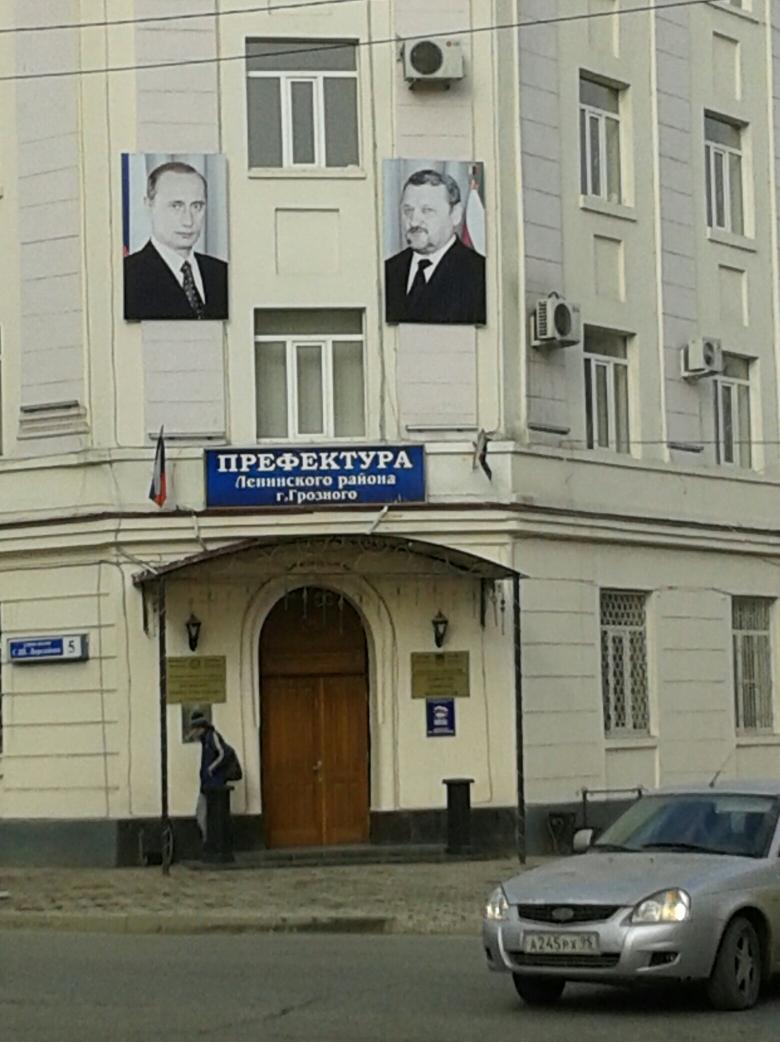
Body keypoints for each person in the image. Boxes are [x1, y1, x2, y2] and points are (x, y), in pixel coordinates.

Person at [124, 161, 228, 321]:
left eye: (196, 206)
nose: (188, 221)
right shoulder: (126, 277)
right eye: (176, 206)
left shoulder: (223, 273)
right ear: (149, 206)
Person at [385, 169, 486, 325]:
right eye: (408, 210)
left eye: (427, 211)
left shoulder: (481, 275)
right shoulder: (388, 270)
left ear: (455, 215)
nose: (414, 221)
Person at [188, 711, 232, 844]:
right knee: (201, 814)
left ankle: (209, 842)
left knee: (206, 815)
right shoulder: (205, 740)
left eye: (193, 729)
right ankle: (207, 841)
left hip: (214, 785)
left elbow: (224, 753)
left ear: (200, 728)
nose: (192, 733)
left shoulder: (212, 737)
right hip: (206, 784)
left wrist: (211, 769)